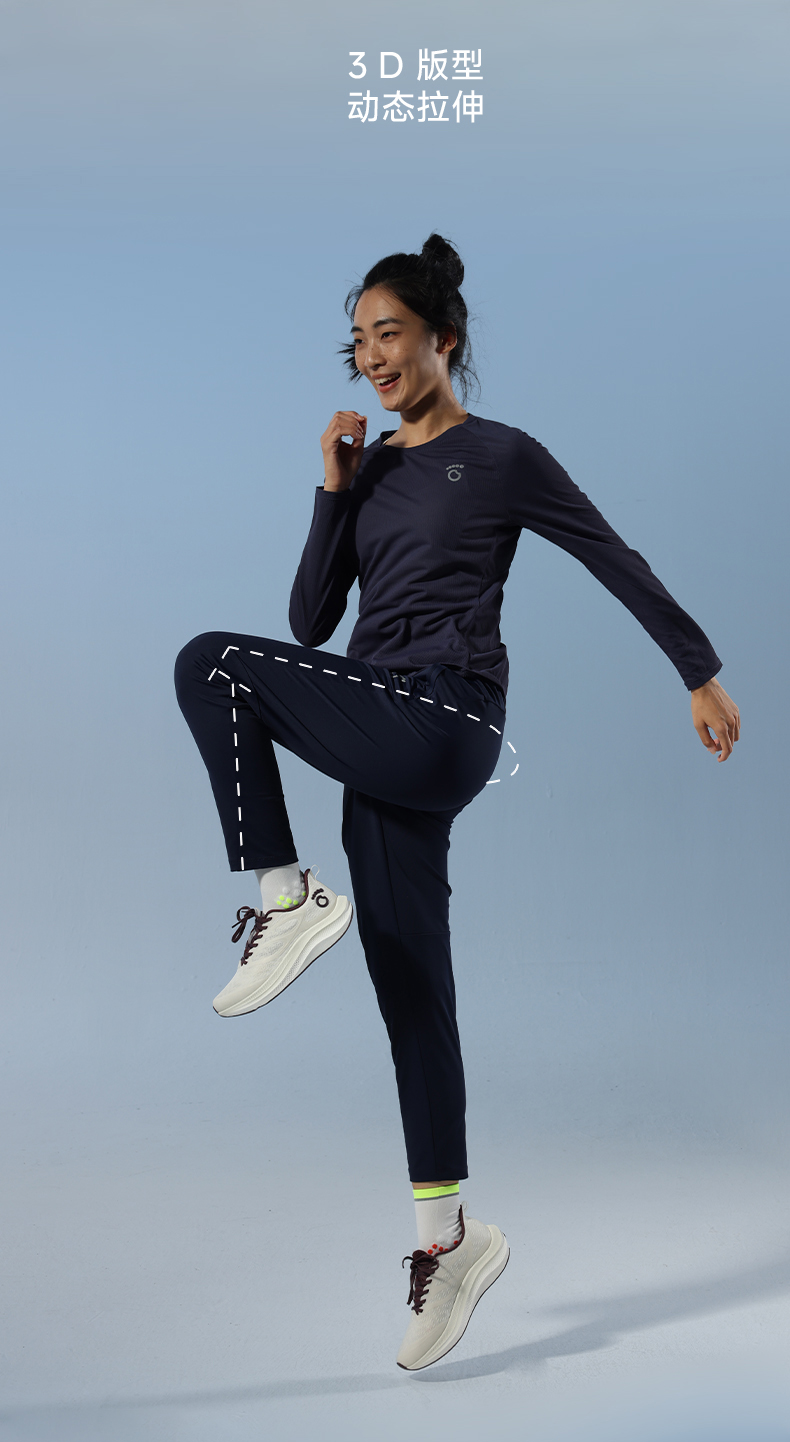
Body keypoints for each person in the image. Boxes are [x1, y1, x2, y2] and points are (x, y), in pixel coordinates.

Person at [174, 234, 740, 1371]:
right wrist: (333, 487)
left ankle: (286, 898)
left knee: (208, 662)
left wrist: (698, 669)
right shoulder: (371, 468)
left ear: (444, 338)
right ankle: (449, 1239)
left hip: (447, 713)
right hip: (380, 730)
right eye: (359, 341)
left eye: (390, 333)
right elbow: (308, 622)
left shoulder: (502, 456)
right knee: (408, 985)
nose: (372, 357)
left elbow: (609, 553)